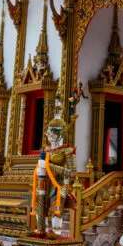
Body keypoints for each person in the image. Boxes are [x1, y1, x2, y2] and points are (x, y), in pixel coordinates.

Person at [30, 98, 76, 238]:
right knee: (40, 208)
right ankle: (41, 231)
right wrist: (40, 168)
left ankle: (56, 233)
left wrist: (49, 166)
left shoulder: (67, 151)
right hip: (44, 183)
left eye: (53, 131)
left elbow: (71, 172)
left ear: (61, 132)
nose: (49, 134)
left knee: (56, 209)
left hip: (60, 184)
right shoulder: (47, 150)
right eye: (48, 131)